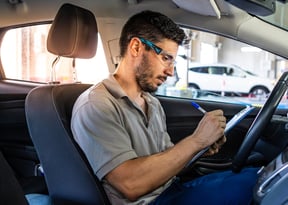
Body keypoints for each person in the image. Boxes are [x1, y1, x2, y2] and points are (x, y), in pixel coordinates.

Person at [71, 10, 259, 205]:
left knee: (256, 176)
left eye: (173, 61)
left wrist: (201, 147)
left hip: (172, 189)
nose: (170, 72)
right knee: (252, 186)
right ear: (136, 47)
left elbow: (167, 160)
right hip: (152, 202)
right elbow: (130, 185)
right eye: (166, 58)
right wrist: (196, 140)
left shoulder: (151, 102)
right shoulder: (97, 105)